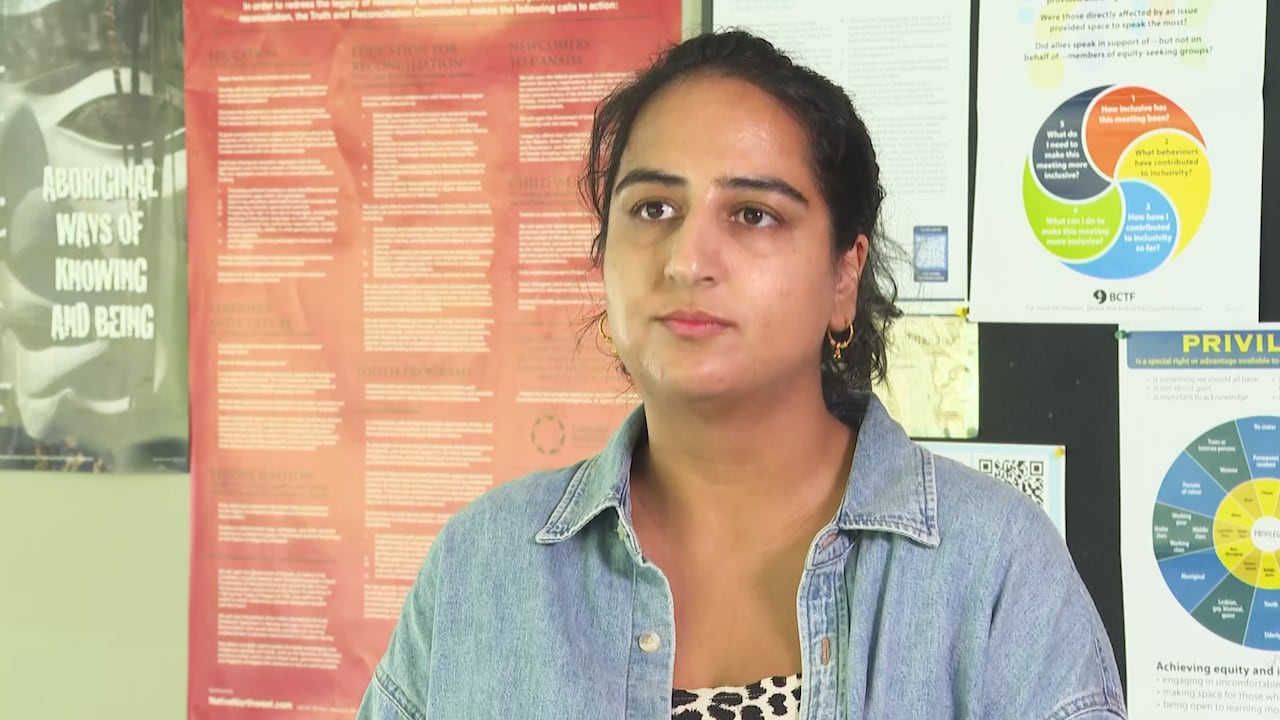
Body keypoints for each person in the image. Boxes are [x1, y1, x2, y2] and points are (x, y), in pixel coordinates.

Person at [358, 30, 1126, 720]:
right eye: (653, 208)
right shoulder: (481, 567)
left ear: (843, 277)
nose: (688, 260)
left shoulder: (994, 569)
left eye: (754, 214)